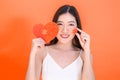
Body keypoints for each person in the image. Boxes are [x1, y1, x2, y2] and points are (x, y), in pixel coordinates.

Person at [26, 5, 95, 80]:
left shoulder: (84, 55)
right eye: (60, 24)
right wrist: (32, 54)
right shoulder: (42, 52)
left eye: (71, 24)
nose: (65, 30)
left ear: (77, 27)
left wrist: (87, 51)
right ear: (53, 26)